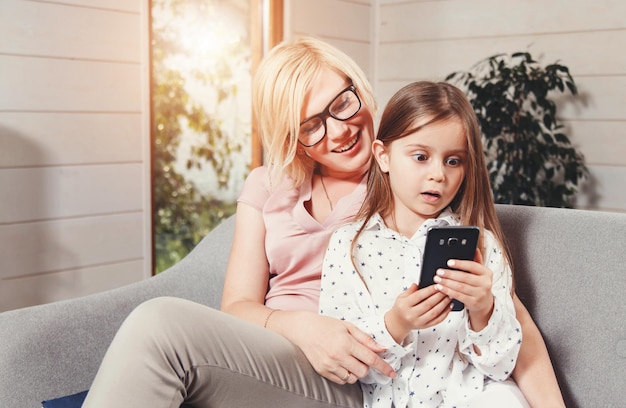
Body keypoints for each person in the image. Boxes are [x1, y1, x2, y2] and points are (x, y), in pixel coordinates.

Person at [83, 37, 564, 408]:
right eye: (311, 125)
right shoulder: (269, 185)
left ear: (360, 90)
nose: (340, 130)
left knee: (160, 323)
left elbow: (508, 318)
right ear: (290, 138)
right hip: (275, 349)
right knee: (160, 326)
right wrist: (302, 327)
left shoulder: (407, 179)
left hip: (358, 371)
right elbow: (237, 305)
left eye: (342, 103)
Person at [319, 81, 527, 407]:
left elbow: (502, 367)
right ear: (383, 156)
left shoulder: (483, 247)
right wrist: (396, 324)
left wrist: (483, 310)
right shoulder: (348, 247)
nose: (438, 175)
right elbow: (341, 361)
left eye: (453, 161)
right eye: (420, 156)